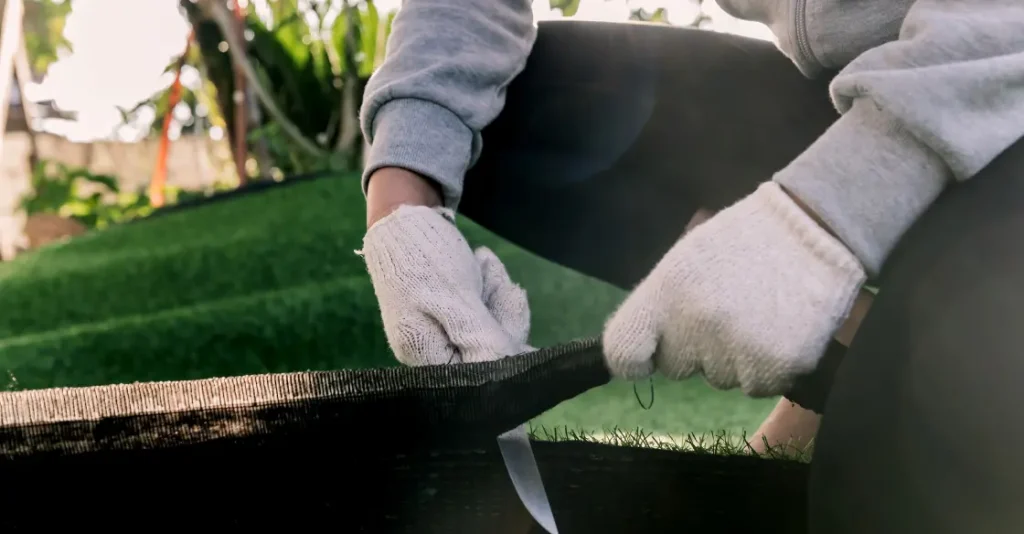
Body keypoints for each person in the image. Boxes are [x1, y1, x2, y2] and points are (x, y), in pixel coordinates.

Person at [358, 2, 1024, 532]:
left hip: (1003, 115)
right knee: (536, 106)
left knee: (915, 491)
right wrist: (402, 205)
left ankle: (906, 378)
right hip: (848, 93)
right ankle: (851, 359)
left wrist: (818, 222)